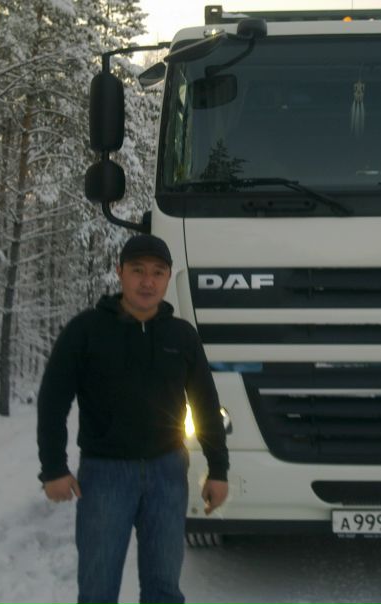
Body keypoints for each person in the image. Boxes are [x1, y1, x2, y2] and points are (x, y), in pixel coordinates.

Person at [37, 234, 229, 604]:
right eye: (138, 270)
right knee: (97, 589)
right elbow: (53, 400)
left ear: (168, 277)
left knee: (164, 589)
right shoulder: (86, 331)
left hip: (167, 474)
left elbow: (206, 405)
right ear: (120, 272)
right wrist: (53, 468)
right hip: (105, 476)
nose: (147, 281)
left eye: (157, 272)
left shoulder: (181, 336)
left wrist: (218, 469)